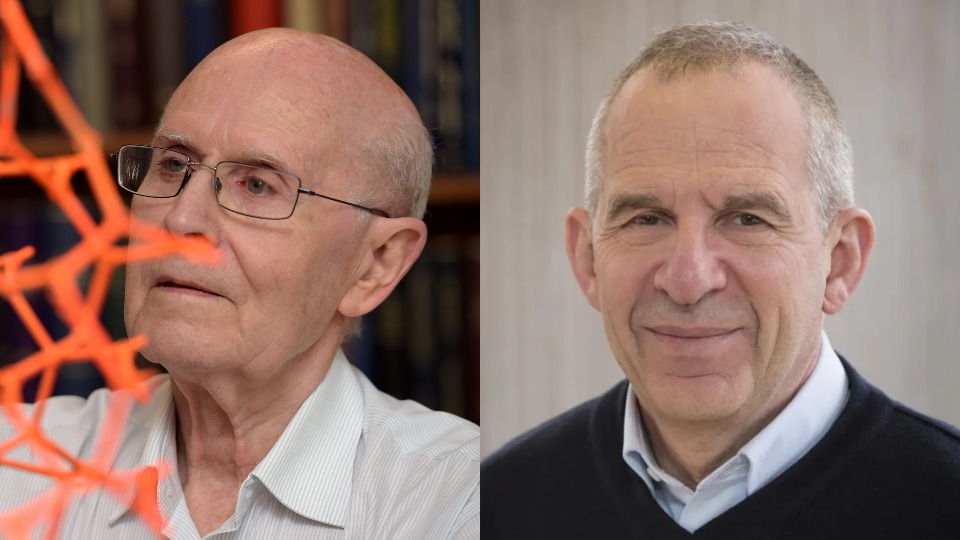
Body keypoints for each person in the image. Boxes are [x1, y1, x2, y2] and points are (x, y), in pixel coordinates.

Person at [482, 21, 960, 539]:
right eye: (646, 218)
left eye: (747, 219)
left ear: (839, 261)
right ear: (588, 257)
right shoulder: (497, 506)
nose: (688, 280)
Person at [0, 29, 478, 539]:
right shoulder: (16, 465)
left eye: (257, 185)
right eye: (172, 165)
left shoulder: (464, 498)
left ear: (377, 263)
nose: (181, 220)